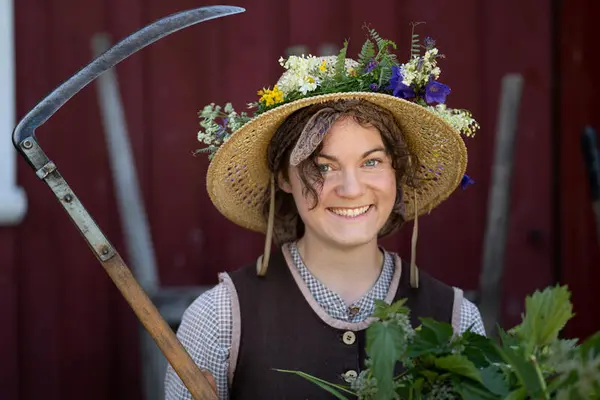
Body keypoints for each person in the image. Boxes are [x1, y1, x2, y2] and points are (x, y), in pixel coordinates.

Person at [165, 28, 484, 399]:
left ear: (397, 168)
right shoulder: (220, 319)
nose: (350, 189)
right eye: (323, 166)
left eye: (371, 161)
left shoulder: (458, 320)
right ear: (284, 175)